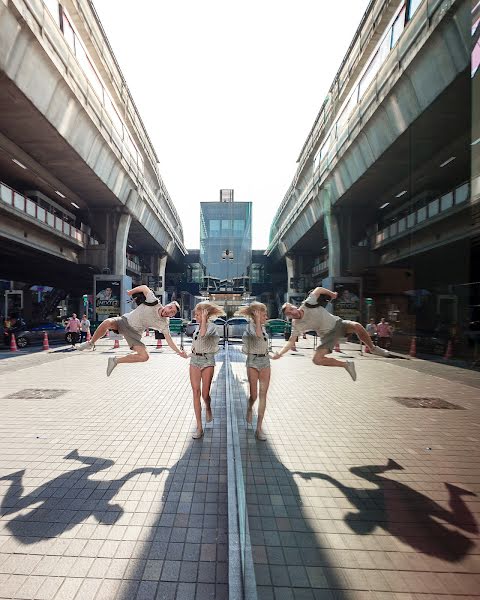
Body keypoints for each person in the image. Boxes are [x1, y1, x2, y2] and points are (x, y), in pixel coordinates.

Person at [273, 287, 390, 381]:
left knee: (357, 326)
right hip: (327, 335)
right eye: (289, 314)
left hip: (338, 324)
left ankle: (373, 348)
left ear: (295, 307)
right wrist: (280, 353)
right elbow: (291, 341)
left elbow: (318, 289)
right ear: (288, 316)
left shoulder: (308, 303)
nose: (292, 313)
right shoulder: (296, 324)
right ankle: (346, 365)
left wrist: (332, 294)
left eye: (291, 309)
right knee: (317, 360)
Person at [78, 285, 187, 376]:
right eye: (170, 308)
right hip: (124, 321)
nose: (169, 312)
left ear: (172, 316)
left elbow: (169, 340)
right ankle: (90, 343)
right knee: (107, 322)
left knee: (145, 356)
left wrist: (179, 352)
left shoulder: (164, 323)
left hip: (134, 334)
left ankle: (115, 360)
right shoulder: (154, 301)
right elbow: (144, 288)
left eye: (172, 313)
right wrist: (131, 292)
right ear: (167, 305)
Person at [189, 301, 225, 439]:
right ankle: (199, 427)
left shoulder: (212, 327)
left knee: (205, 394)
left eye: (198, 314)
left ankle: (208, 407)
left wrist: (203, 320)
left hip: (208, 361)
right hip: (194, 360)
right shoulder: (198, 327)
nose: (196, 317)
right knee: (196, 392)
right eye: (196, 315)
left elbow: (204, 336)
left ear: (205, 315)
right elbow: (198, 341)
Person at [238, 302, 272, 441]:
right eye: (263, 315)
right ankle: (250, 407)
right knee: (254, 395)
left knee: (263, 395)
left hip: (265, 362)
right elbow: (257, 337)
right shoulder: (250, 328)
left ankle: (259, 428)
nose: (266, 317)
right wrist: (257, 320)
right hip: (252, 362)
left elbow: (262, 343)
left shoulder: (262, 328)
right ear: (256, 315)